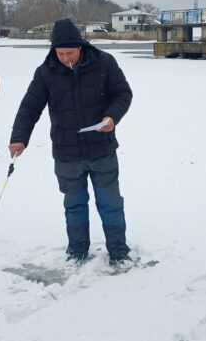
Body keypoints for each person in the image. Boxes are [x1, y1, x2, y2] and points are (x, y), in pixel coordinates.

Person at [9, 18, 133, 266]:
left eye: (70, 52)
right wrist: (19, 138)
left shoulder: (104, 63)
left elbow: (123, 93)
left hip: (102, 149)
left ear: (81, 47)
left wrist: (112, 116)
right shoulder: (46, 72)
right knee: (74, 205)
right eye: (60, 52)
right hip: (66, 153)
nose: (65, 58)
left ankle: (119, 251)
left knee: (110, 204)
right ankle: (77, 251)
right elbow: (30, 107)